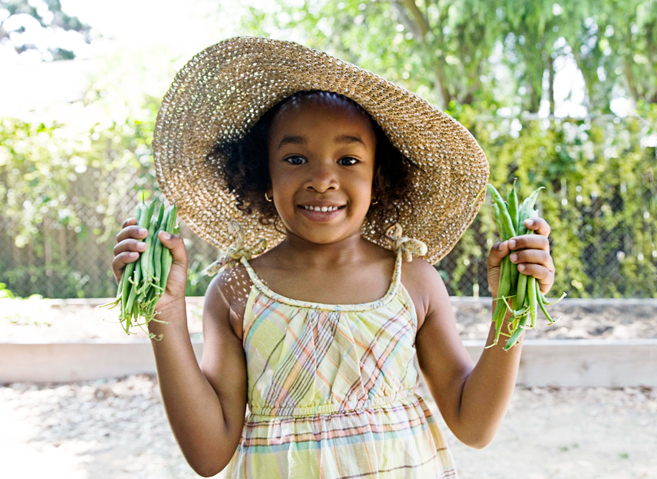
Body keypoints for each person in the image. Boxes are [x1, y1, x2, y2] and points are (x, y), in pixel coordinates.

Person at [112, 37, 556, 478]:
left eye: (347, 160)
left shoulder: (413, 281)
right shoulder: (236, 290)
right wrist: (162, 313)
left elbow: (474, 426)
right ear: (262, 175)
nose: (322, 179)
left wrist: (511, 309)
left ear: (379, 179)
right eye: (296, 158)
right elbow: (208, 456)